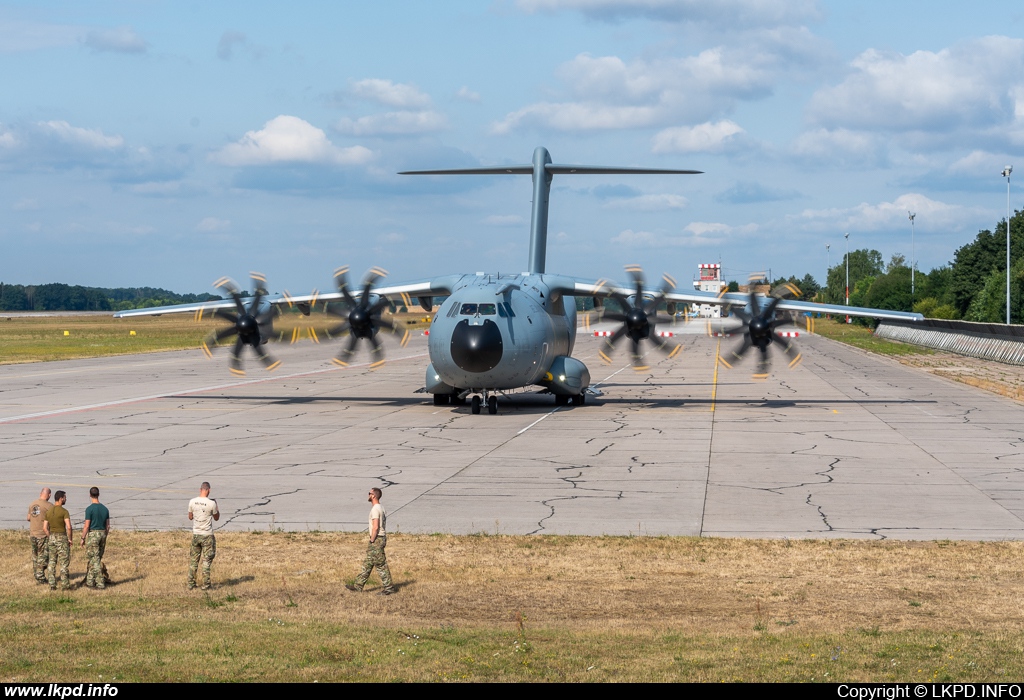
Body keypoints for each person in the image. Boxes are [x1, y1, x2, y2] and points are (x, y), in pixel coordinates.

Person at [346, 487, 395, 596]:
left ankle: (389, 588)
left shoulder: (375, 509)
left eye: (369, 493)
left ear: (373, 495)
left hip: (377, 539)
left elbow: (376, 526)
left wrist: (372, 539)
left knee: (381, 564)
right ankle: (358, 586)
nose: (368, 495)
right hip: (380, 538)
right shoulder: (381, 507)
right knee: (368, 563)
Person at [187, 481, 219, 590]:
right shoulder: (211, 503)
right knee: (207, 560)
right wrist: (216, 507)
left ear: (200, 489)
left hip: (196, 534)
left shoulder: (192, 501)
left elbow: (190, 517)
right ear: (209, 490)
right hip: (207, 534)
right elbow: (216, 517)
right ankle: (206, 584)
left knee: (194, 560)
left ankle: (191, 583)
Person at [81, 486, 111, 589]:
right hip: (103, 533)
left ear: (90, 495)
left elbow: (86, 526)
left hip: (93, 533)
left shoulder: (89, 509)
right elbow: (108, 525)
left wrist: (83, 538)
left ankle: (100, 582)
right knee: (96, 558)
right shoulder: (105, 509)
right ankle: (89, 581)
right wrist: (105, 535)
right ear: (98, 494)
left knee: (95, 559)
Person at [43, 490, 72, 591]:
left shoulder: (49, 511)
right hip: (61, 537)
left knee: (52, 561)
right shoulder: (64, 512)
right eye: (64, 497)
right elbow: (68, 527)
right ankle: (65, 585)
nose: (65, 499)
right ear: (60, 499)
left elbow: (45, 528)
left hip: (52, 538)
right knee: (64, 562)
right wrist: (70, 539)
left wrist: (50, 536)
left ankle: (52, 584)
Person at [27, 488, 53, 584]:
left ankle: (36, 574)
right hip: (43, 534)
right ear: (49, 495)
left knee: (35, 556)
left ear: (40, 493)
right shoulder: (49, 506)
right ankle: (40, 576)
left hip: (33, 533)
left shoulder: (32, 504)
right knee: (43, 556)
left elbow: (28, 518)